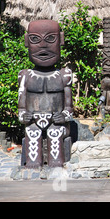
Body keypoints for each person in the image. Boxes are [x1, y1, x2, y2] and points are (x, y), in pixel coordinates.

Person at [18, 20, 73, 168]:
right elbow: (21, 107)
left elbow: (69, 107)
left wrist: (64, 116)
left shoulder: (64, 74)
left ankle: (56, 164)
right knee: (32, 133)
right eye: (35, 39)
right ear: (26, 41)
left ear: (60, 39)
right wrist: (24, 116)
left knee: (54, 133)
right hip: (34, 122)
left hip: (58, 123)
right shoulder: (25, 75)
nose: (43, 45)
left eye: (50, 39)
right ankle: (33, 164)